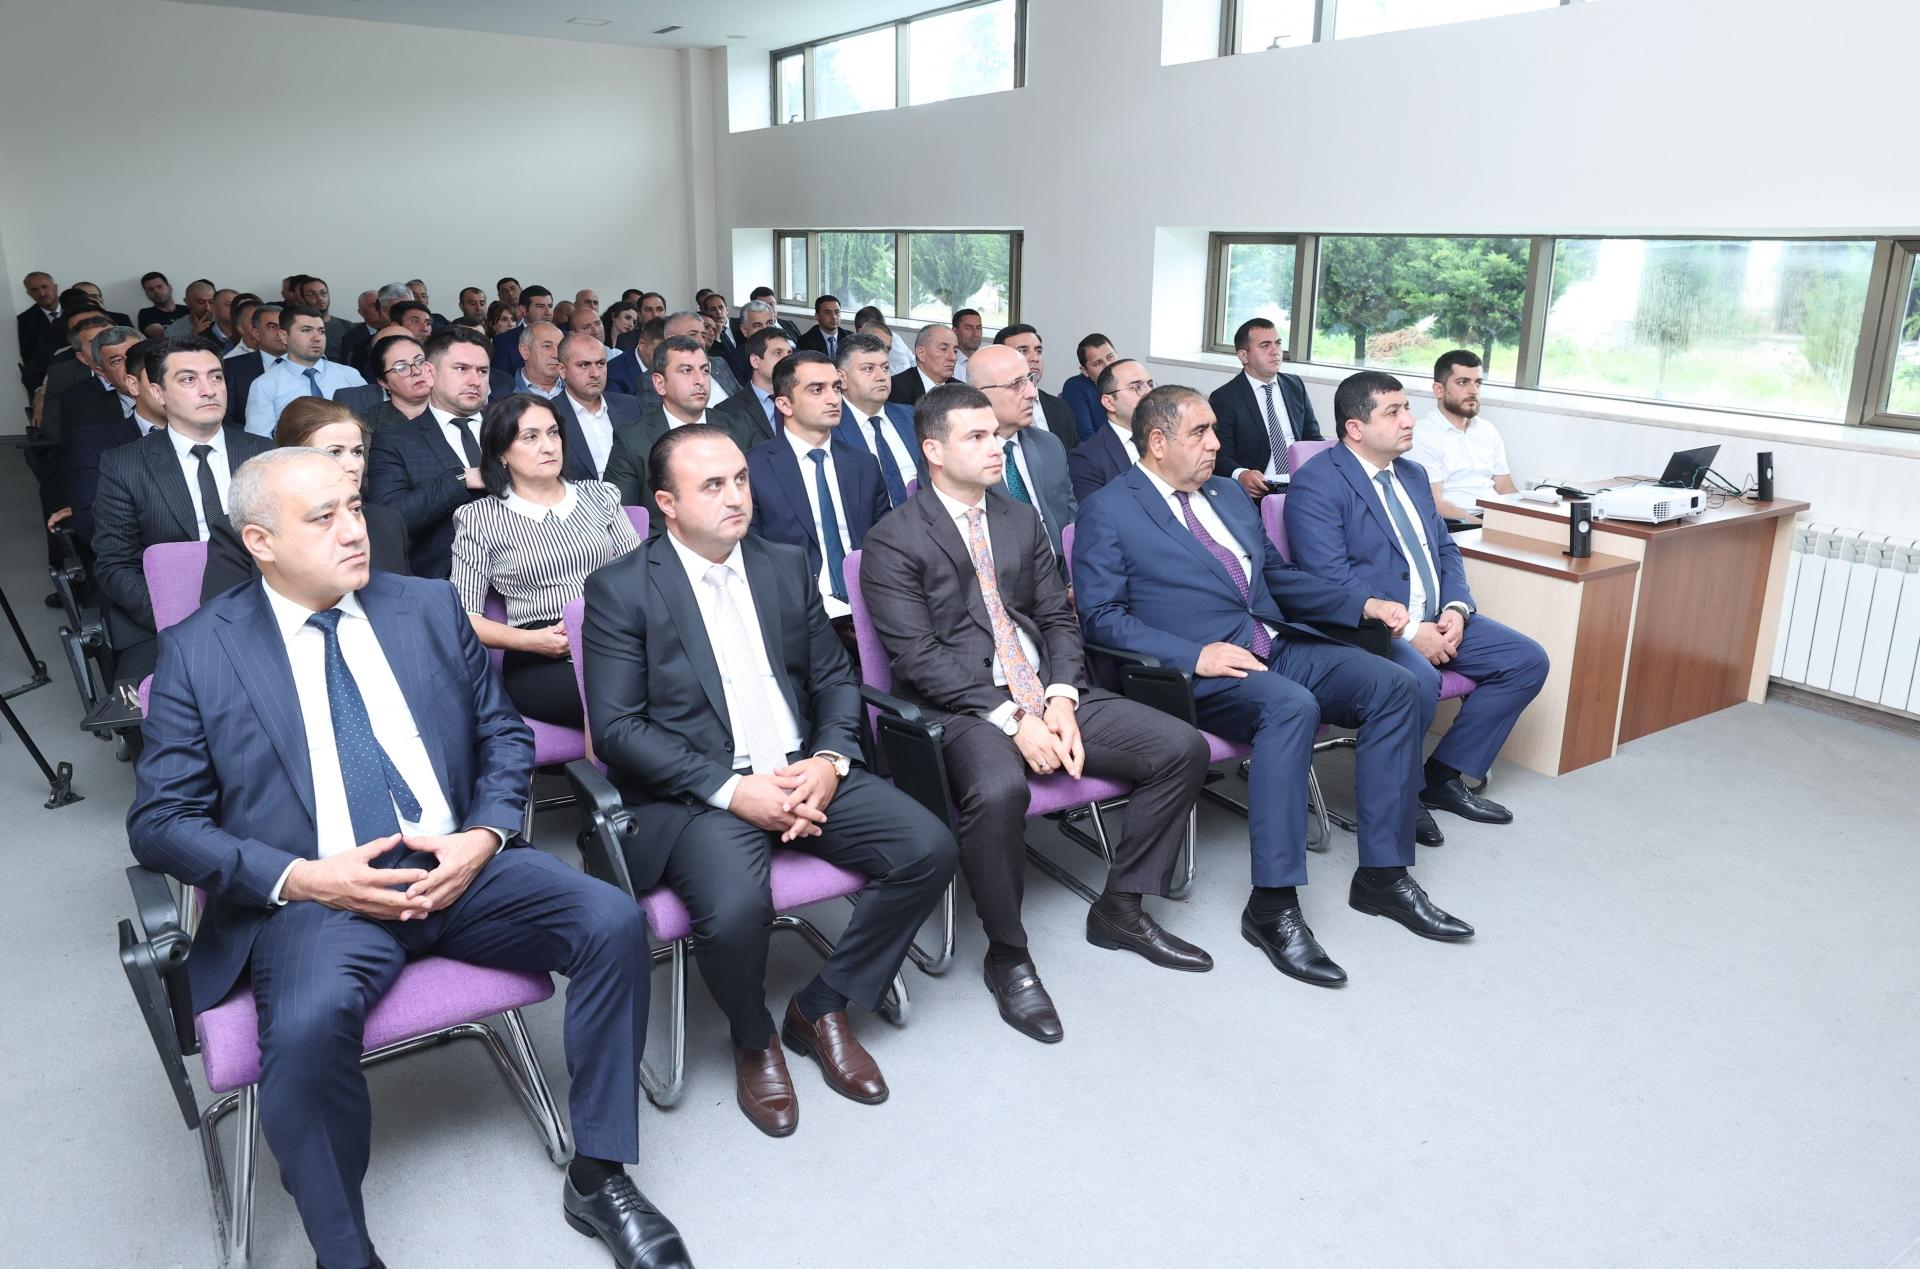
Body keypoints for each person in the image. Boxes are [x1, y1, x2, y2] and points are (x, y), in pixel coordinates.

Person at [131, 447, 691, 1269]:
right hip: (322, 894)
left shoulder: (425, 605)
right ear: (260, 541)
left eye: (354, 508)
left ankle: (600, 1173)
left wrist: (484, 834)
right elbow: (160, 821)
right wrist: (300, 877)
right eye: (323, 518)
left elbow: (503, 734)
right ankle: (344, 1252)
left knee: (610, 919)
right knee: (306, 1027)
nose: (353, 530)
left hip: (462, 864)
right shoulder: (199, 650)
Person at [582, 422, 957, 1137]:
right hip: (702, 793)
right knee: (732, 911)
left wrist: (830, 759)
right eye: (711, 486)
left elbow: (834, 679)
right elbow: (619, 730)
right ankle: (753, 1037)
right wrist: (734, 792)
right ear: (666, 503)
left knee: (929, 847)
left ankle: (821, 1004)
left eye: (740, 480)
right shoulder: (621, 588)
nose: (736, 497)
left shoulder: (783, 563)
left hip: (802, 765)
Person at [1074, 385, 1475, 988]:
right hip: (1192, 671)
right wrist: (1196, 655)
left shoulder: (1227, 494)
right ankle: (1272, 905)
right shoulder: (1110, 509)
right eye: (1200, 433)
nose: (1216, 444)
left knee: (1394, 686)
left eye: (1215, 430)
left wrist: (1361, 605)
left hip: (1274, 641)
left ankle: (1383, 876)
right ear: (1157, 442)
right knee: (1291, 707)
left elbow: (1279, 578)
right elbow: (1101, 618)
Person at [861, 384, 1214, 1042]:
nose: (995, 446)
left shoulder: (1020, 519)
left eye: (995, 434)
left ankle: (1121, 905)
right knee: (999, 789)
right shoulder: (893, 539)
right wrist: (1013, 718)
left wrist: (1061, 697)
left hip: (1044, 689)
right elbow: (917, 658)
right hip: (963, 707)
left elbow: (1057, 616)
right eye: (976, 437)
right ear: (933, 450)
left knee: (1181, 747)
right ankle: (1008, 953)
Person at [1285, 370, 1547, 836]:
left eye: (1406, 407)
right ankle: (1400, 797)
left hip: (1435, 616)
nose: (1409, 420)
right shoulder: (1317, 482)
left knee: (1525, 660)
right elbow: (1330, 578)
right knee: (1416, 680)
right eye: (1394, 412)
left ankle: (1443, 778)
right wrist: (1408, 631)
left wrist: (1457, 609)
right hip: (1368, 626)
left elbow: (1444, 549)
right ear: (1355, 428)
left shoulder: (1412, 473)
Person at [450, 394, 642, 727]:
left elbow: (641, 578)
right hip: (541, 653)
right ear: (501, 453)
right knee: (619, 695)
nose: (549, 446)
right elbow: (465, 617)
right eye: (530, 437)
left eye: (553, 433)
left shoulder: (600, 495)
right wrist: (535, 642)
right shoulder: (477, 518)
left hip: (618, 635)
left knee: (670, 682)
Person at [92, 338, 275, 681]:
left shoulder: (264, 453)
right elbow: (115, 563)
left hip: (264, 607)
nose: (209, 390)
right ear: (157, 393)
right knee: (158, 698)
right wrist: (171, 613)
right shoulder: (125, 465)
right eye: (189, 379)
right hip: (165, 616)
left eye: (216, 377)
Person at [201, 397, 411, 601]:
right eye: (335, 452)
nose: (354, 465)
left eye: (357, 452)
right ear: (291, 458)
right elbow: (223, 615)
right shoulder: (241, 531)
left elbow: (409, 602)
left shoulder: (388, 523)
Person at [745, 351, 888, 645]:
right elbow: (752, 554)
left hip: (868, 605)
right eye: (816, 389)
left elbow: (885, 539)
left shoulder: (863, 464)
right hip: (796, 613)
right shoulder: (753, 468)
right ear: (784, 404)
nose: (833, 398)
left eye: (836, 387)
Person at [366, 327, 493, 578]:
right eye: (461, 369)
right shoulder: (395, 441)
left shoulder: (514, 428)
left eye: (483, 371)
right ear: (429, 373)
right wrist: (460, 479)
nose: (475, 381)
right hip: (445, 581)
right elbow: (389, 520)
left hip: (529, 575)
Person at [603, 336, 761, 507]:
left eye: (705, 370)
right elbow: (621, 515)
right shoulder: (632, 441)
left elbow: (763, 499)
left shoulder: (740, 427)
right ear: (660, 383)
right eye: (686, 370)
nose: (700, 380)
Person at [966, 345, 1075, 556]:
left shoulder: (1049, 445)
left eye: (1030, 379)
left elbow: (1071, 520)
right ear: (979, 396)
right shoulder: (959, 459)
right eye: (1017, 384)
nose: (1033, 393)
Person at [1210, 317, 1323, 497]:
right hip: (1258, 491)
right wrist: (1241, 474)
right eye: (1265, 346)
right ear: (1243, 356)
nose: (1275, 351)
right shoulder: (1224, 398)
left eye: (1278, 343)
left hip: (1302, 486)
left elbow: (1313, 439)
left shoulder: (1295, 386)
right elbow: (1221, 456)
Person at [1409, 350, 1517, 520]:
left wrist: (1525, 518)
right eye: (1463, 382)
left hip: (1493, 519)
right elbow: (1434, 503)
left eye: (1478, 383)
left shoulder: (1487, 430)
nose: (1473, 391)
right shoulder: (1422, 436)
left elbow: (1505, 489)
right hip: (1457, 524)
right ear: (1439, 390)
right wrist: (1482, 525)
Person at [246, 304, 368, 435]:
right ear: (284, 336)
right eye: (306, 330)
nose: (317, 338)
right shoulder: (265, 384)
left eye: (321, 331)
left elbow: (371, 423)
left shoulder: (349, 375)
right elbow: (259, 438)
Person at [831, 332, 921, 508]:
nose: (881, 376)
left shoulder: (911, 417)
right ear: (842, 379)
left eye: (885, 367)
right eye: (868, 369)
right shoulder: (830, 429)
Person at [550, 330, 644, 480]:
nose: (595, 373)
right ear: (562, 370)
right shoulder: (549, 415)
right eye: (584, 365)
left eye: (601, 364)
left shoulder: (631, 406)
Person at [1066, 358, 1153, 502]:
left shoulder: (1170, 437)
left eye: (1150, 385)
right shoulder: (1086, 458)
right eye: (1136, 387)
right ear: (1109, 402)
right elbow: (1096, 513)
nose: (1149, 393)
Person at [993, 324, 1080, 452]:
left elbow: (1073, 455)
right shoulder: (992, 407)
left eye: (1038, 351)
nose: (1035, 358)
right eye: (1023, 351)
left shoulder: (1060, 407)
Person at [710, 325, 790, 443]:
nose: (788, 359)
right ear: (755, 361)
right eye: (778, 353)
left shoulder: (801, 400)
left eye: (789, 353)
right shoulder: (727, 411)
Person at [222, 302, 288, 429]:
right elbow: (227, 418)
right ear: (256, 333)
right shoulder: (232, 367)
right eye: (272, 327)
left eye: (284, 327)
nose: (280, 333)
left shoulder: (307, 364)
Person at [357, 331, 436, 430]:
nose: (416, 371)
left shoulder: (453, 405)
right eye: (401, 367)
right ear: (383, 382)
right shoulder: (368, 424)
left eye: (420, 361)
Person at [1061, 333, 1118, 442]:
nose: (1108, 366)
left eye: (1110, 357)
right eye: (1098, 363)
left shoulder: (1130, 380)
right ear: (1085, 371)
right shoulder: (1075, 387)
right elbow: (1087, 437)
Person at [496, 320, 565, 402]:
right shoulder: (503, 396)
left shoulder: (576, 388)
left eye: (560, 347)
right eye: (547, 346)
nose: (556, 355)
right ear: (525, 351)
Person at [890, 323, 956, 407]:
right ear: (921, 353)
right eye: (943, 349)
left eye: (955, 351)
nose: (953, 357)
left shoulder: (962, 390)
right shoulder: (896, 388)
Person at [493, 284, 553, 376]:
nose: (548, 312)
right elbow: (500, 379)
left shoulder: (565, 337)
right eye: (540, 306)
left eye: (550, 306)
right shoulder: (504, 341)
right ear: (524, 310)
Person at [301, 276, 354, 360]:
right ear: (302, 299)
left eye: (323, 293)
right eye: (311, 294)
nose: (320, 298)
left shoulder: (347, 326)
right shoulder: (298, 328)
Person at [796, 294, 843, 361]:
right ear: (817, 316)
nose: (834, 317)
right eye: (828, 313)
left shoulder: (848, 337)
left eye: (837, 312)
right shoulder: (806, 341)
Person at [136, 271, 182, 338]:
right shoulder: (146, 314)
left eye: (159, 286)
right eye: (150, 289)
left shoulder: (189, 309)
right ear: (146, 293)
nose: (156, 291)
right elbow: (164, 336)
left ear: (169, 287)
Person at [950, 308, 983, 382]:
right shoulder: (947, 362)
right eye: (968, 328)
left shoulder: (987, 361)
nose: (975, 334)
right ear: (955, 331)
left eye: (979, 328)